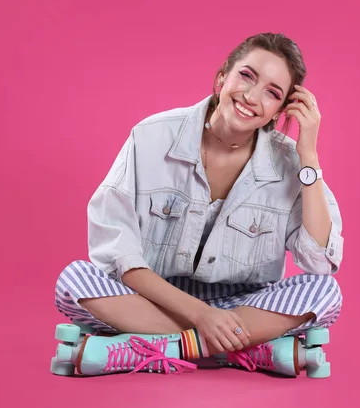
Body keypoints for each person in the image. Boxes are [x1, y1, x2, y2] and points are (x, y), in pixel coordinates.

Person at [53, 32, 344, 377]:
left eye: (272, 92)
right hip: (156, 300)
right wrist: (202, 316)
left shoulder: (289, 161)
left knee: (325, 292)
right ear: (223, 77)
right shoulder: (150, 137)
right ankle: (240, 352)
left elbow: (319, 261)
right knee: (75, 281)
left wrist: (308, 156)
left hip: (241, 307)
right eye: (246, 76)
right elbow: (117, 250)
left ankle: (150, 350)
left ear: (278, 112)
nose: (251, 96)